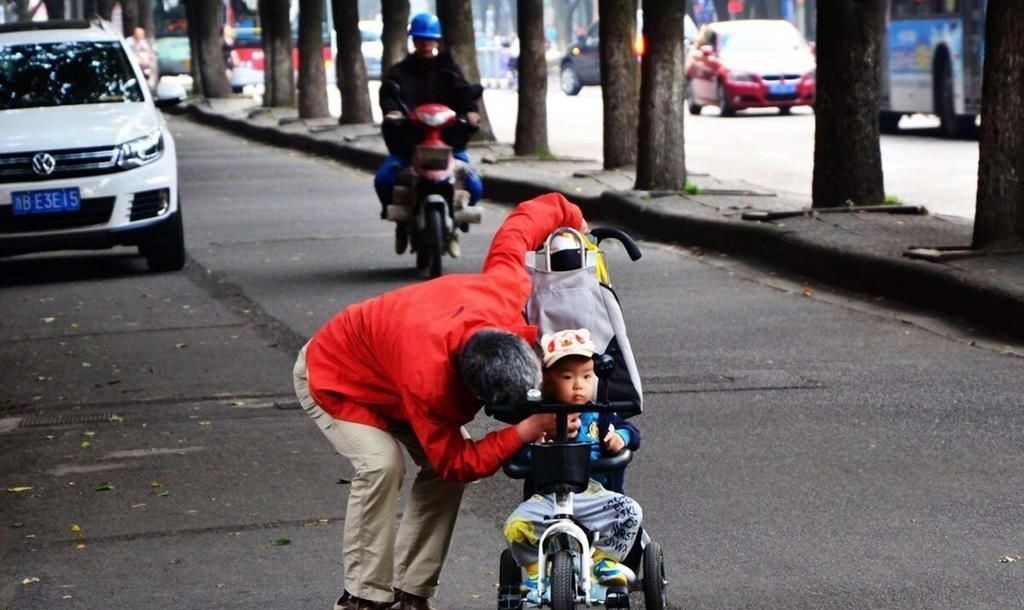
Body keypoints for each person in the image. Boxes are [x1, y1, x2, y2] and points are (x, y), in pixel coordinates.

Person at [293, 193, 588, 610]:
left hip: (389, 369)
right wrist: (524, 430)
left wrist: (573, 218)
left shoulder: (503, 292)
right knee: (382, 465)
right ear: (468, 387)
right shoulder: (428, 382)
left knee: (440, 474)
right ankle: (363, 596)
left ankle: (411, 590)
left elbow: (518, 228)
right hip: (335, 373)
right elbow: (455, 461)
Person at [503, 328, 643, 605]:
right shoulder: (539, 417)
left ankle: (604, 560)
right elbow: (516, 457)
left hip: (591, 490)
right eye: (567, 377)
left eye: (586, 376)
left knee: (631, 512)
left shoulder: (601, 413)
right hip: (547, 495)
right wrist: (537, 445)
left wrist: (619, 438)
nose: (579, 385)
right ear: (549, 382)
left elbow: (631, 431)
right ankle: (533, 570)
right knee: (514, 526)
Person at [375, 12, 484, 258]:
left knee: (475, 185)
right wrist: (392, 111)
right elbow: (389, 95)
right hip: (410, 144)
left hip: (447, 143)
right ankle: (401, 225)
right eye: (421, 39)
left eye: (430, 39)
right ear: (413, 40)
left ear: (437, 41)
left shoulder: (449, 70)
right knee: (384, 179)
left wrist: (470, 111)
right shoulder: (399, 72)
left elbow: (464, 93)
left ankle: (456, 225)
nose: (426, 44)